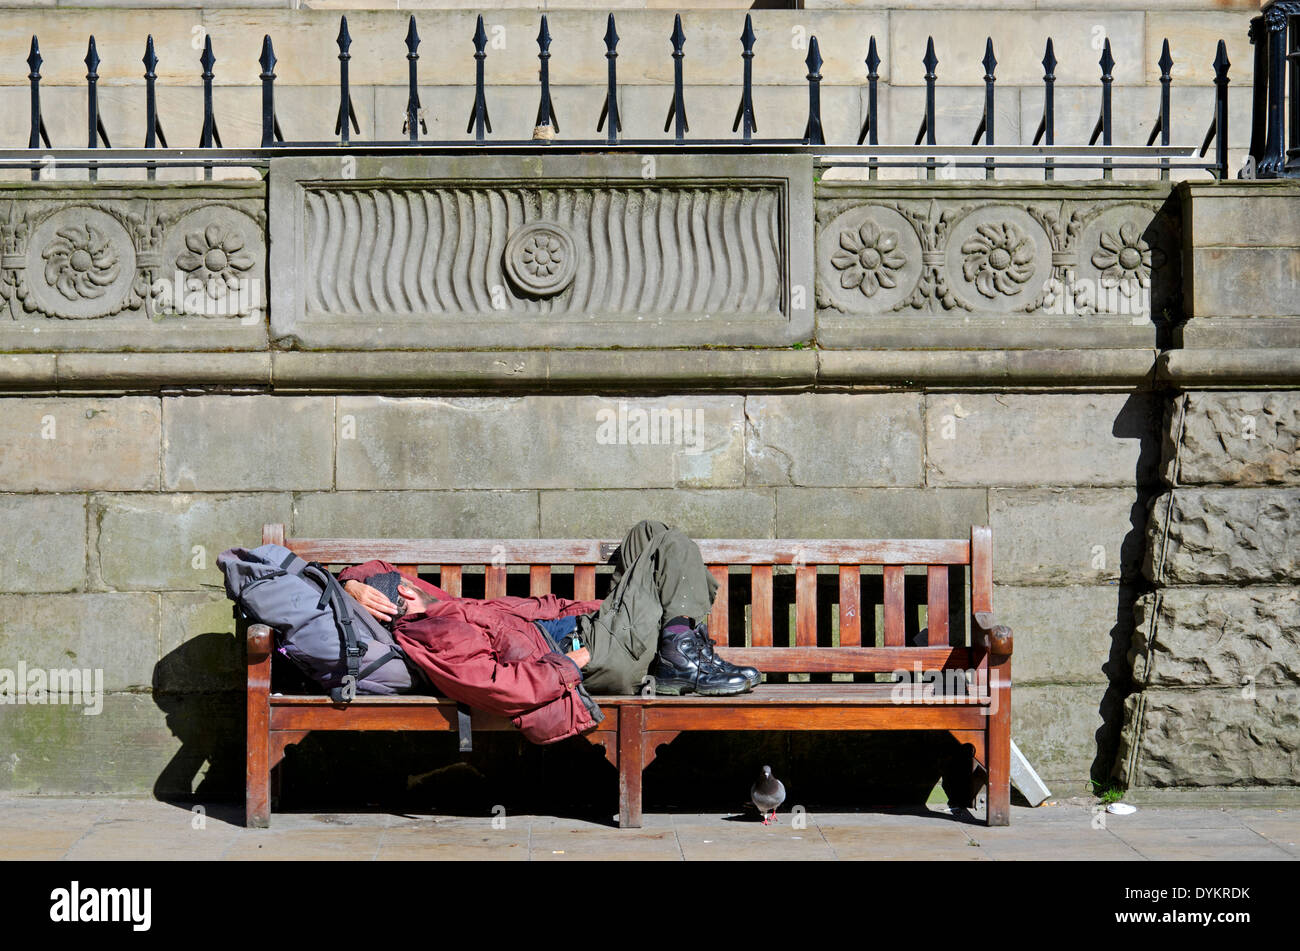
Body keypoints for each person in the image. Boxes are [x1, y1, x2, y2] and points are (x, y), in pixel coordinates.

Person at [338, 520, 760, 745]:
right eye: (397, 603)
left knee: (649, 533)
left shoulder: (443, 607)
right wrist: (568, 665)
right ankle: (681, 651)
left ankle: (677, 648)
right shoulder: (432, 632)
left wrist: (350, 582)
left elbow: (378, 570)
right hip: (594, 658)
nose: (406, 595)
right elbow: (496, 688)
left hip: (597, 629)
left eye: (401, 592)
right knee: (667, 544)